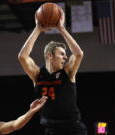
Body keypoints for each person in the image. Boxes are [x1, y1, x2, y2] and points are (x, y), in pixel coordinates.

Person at [18, 7, 87, 135]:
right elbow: (22, 57)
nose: (65, 57)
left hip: (73, 128)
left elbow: (78, 54)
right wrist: (37, 29)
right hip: (51, 130)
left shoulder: (68, 72)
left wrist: (61, 28)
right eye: (61, 54)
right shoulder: (37, 74)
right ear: (50, 55)